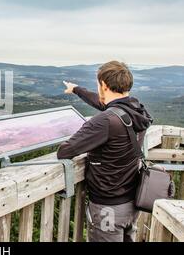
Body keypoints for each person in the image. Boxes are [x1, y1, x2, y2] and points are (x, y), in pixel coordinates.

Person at [57, 60, 153, 242]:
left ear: (103, 84)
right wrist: (76, 89)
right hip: (131, 202)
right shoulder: (137, 111)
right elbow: (107, 105)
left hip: (107, 207)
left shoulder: (105, 121)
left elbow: (65, 151)